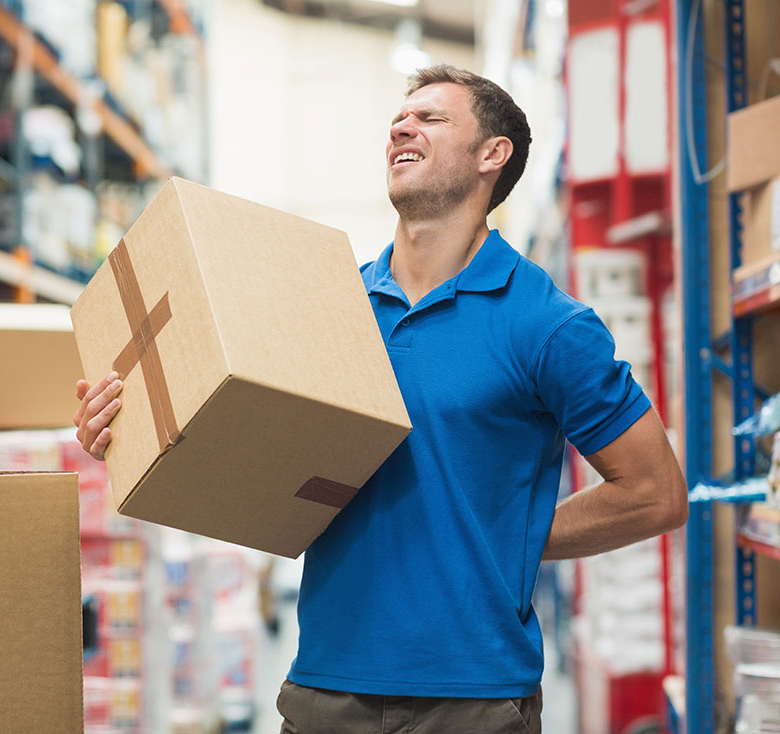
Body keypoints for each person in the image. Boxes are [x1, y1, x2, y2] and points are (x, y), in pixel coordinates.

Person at [75, 65, 688, 733]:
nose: (402, 125)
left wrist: (507, 538)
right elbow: (247, 450)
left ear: (493, 154)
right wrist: (128, 427)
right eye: (400, 117)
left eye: (432, 117)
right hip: (324, 686)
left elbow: (654, 492)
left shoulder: (548, 323)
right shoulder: (330, 308)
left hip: (475, 697)